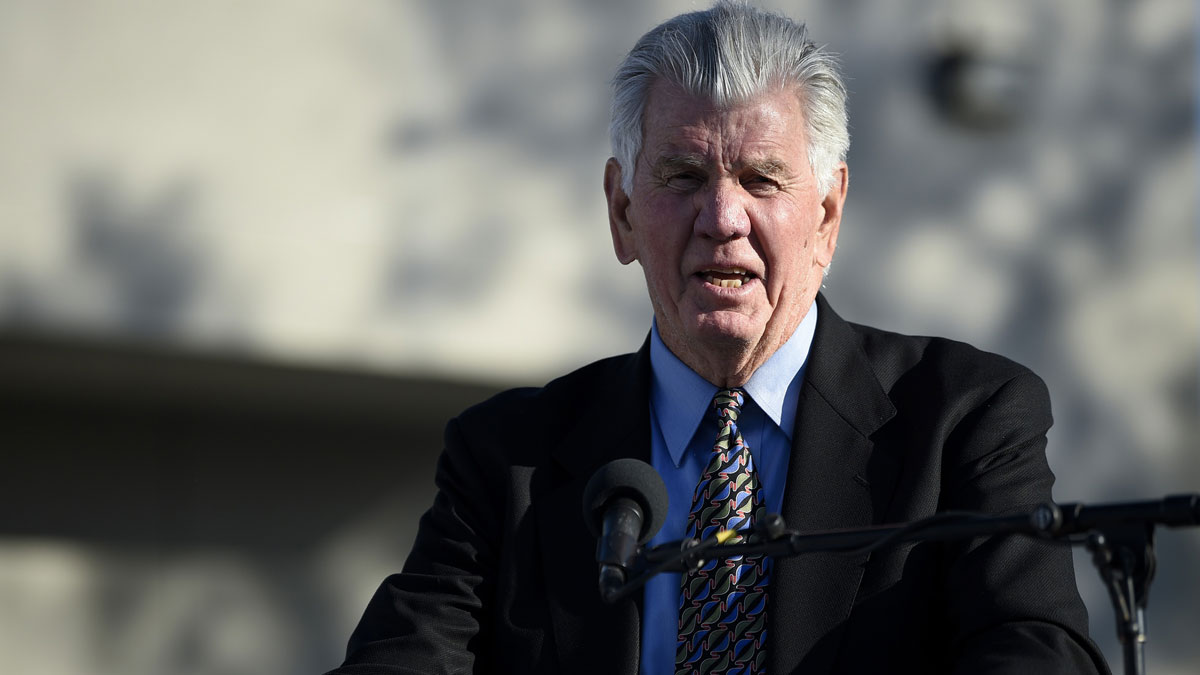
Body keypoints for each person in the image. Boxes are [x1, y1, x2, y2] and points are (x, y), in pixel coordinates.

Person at [327, 2, 1109, 673]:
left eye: (762, 179)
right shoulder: (508, 460)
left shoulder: (961, 419)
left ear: (827, 217)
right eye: (683, 177)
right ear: (622, 211)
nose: (723, 219)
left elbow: (1037, 654)